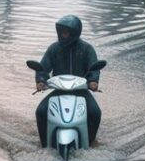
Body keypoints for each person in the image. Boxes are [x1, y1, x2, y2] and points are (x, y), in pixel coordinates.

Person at [35, 15, 102, 148]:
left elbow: (94, 68)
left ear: (75, 33)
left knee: (95, 112)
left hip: (81, 91)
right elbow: (43, 68)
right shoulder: (54, 48)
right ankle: (44, 144)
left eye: (67, 32)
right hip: (58, 90)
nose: (63, 34)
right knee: (40, 112)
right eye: (62, 31)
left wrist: (93, 81)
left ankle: (90, 141)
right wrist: (41, 81)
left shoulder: (87, 49)